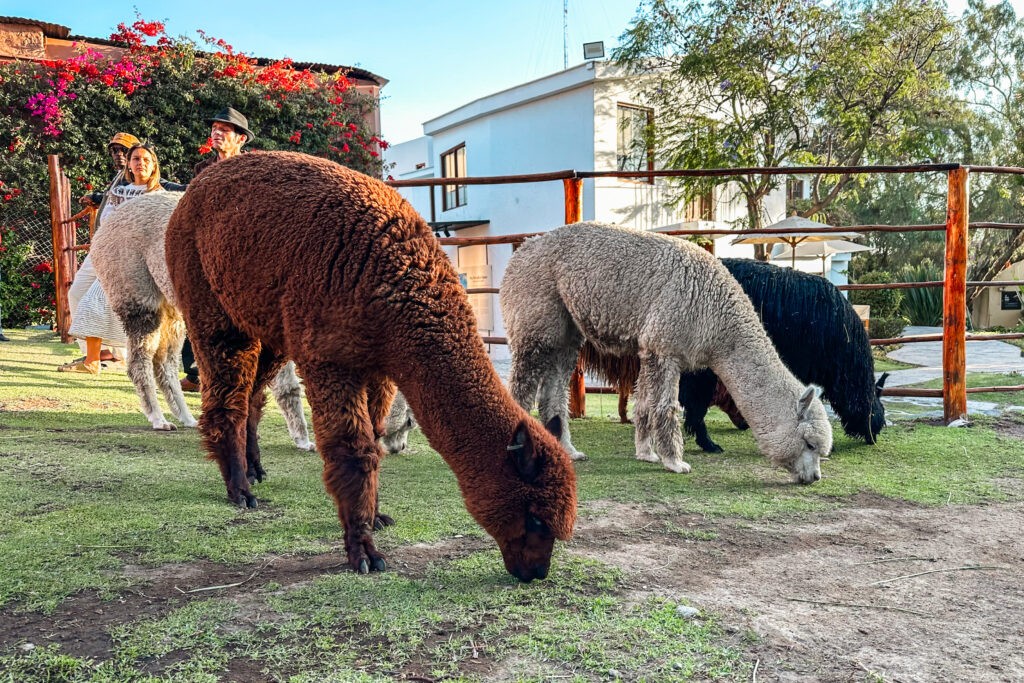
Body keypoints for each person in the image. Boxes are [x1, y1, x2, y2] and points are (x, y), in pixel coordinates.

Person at [60, 142, 184, 374]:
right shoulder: (117, 190)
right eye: (136, 159)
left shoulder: (158, 193)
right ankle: (103, 353)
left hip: (131, 256)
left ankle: (97, 359)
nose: (141, 163)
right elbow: (107, 218)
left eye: (146, 160)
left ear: (154, 164)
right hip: (104, 248)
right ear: (129, 163)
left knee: (99, 300)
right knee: (77, 293)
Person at [180, 106, 255, 391]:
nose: (216, 134)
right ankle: (195, 373)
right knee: (198, 305)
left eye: (224, 130)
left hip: (240, 249)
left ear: (241, 139)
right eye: (214, 129)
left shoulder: (251, 170)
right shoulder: (202, 169)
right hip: (206, 245)